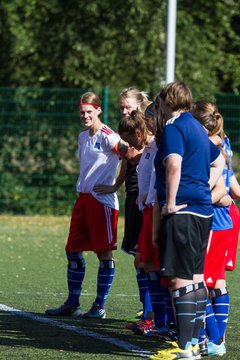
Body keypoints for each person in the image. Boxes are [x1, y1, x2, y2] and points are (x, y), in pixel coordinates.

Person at [150, 82, 225, 360]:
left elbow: (173, 164)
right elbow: (219, 162)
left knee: (180, 280)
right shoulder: (196, 125)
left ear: (167, 101)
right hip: (203, 210)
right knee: (195, 277)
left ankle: (183, 348)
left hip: (182, 210)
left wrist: (170, 202)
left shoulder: (174, 126)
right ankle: (195, 343)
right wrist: (203, 188)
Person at [45, 91, 131, 319]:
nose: (85, 116)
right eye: (82, 112)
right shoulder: (83, 136)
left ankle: (99, 306)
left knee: (103, 253)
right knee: (72, 251)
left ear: (99, 111)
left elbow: (129, 152)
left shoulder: (108, 135)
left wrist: (115, 186)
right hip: (83, 199)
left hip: (102, 202)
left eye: (89, 112)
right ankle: (73, 303)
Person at [94, 88, 153, 323]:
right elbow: (126, 162)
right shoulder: (130, 132)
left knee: (144, 255)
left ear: (140, 104)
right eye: (121, 108)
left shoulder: (148, 133)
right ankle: (146, 307)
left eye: (128, 107)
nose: (124, 111)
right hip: (133, 195)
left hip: (146, 197)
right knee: (139, 255)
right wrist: (115, 185)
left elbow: (136, 156)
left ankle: (152, 311)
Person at [191, 100, 240, 356]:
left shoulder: (211, 147)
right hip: (224, 218)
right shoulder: (222, 143)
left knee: (200, 280)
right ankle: (214, 339)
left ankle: (214, 339)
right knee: (214, 280)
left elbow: (223, 192)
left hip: (216, 219)